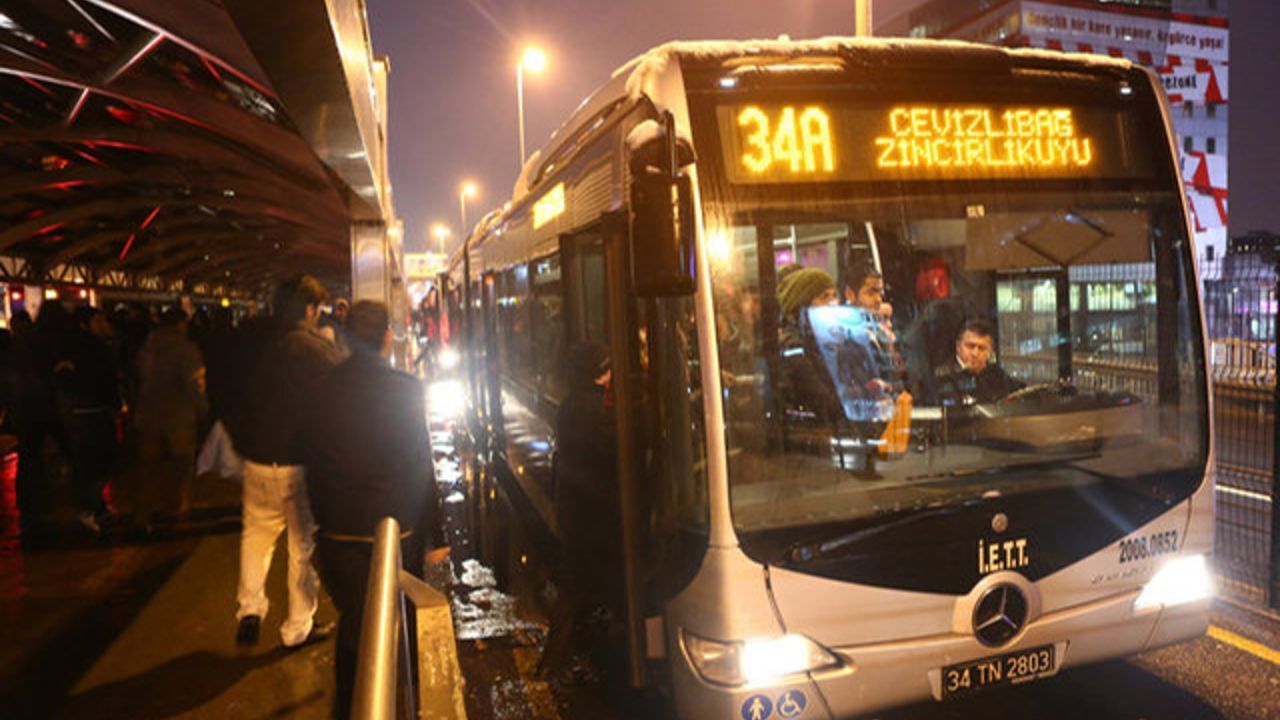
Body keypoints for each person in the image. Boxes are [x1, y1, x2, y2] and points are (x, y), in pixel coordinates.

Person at [298, 300, 444, 718]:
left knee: (356, 628)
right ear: (386, 336)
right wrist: (436, 535)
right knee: (400, 624)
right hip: (399, 531)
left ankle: (352, 706)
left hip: (341, 535)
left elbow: (311, 463)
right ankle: (399, 702)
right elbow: (421, 462)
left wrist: (323, 521)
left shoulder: (320, 389)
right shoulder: (406, 387)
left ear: (344, 336)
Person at [234, 274, 342, 648]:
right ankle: (297, 628)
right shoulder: (316, 349)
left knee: (256, 537)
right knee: (302, 549)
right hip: (297, 464)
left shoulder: (251, 344)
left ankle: (250, 608)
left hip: (257, 460)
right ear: (311, 309)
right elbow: (341, 400)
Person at [536, 343, 620, 680]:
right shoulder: (594, 409)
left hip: (576, 511)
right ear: (600, 373)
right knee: (574, 589)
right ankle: (551, 665)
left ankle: (556, 661)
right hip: (591, 515)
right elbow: (609, 452)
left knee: (576, 585)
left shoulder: (572, 404)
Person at [132, 307, 206, 533]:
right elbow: (194, 384)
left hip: (147, 415)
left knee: (148, 467)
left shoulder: (147, 347)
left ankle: (142, 515)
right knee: (181, 465)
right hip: (178, 416)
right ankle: (173, 510)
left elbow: (136, 378)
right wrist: (202, 408)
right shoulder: (186, 349)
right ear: (181, 324)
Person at [54, 307, 122, 534]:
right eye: (99, 320)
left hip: (80, 411)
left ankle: (97, 506)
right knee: (97, 461)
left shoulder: (69, 345)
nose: (103, 323)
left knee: (91, 462)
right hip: (92, 410)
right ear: (87, 322)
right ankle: (87, 509)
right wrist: (114, 403)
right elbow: (104, 379)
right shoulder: (90, 347)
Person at [934, 320, 1024, 406]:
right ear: (958, 346)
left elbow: (1020, 393)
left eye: (982, 348)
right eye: (970, 346)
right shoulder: (941, 377)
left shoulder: (997, 375)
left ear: (990, 351)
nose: (975, 353)